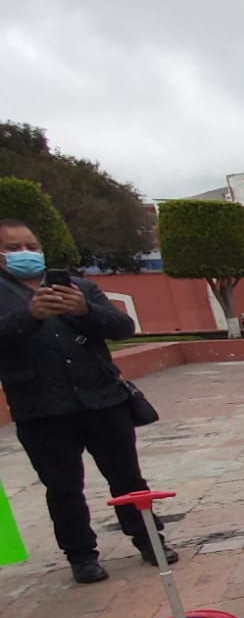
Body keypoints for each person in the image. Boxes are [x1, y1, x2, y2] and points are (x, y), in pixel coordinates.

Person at [0, 219, 176, 582]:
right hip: (42, 410)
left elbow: (121, 327)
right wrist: (29, 316)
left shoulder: (78, 287)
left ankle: (149, 540)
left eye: (30, 246)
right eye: (14, 248)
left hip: (102, 401)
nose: (25, 254)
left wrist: (84, 310)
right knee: (64, 488)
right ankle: (81, 556)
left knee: (128, 478)